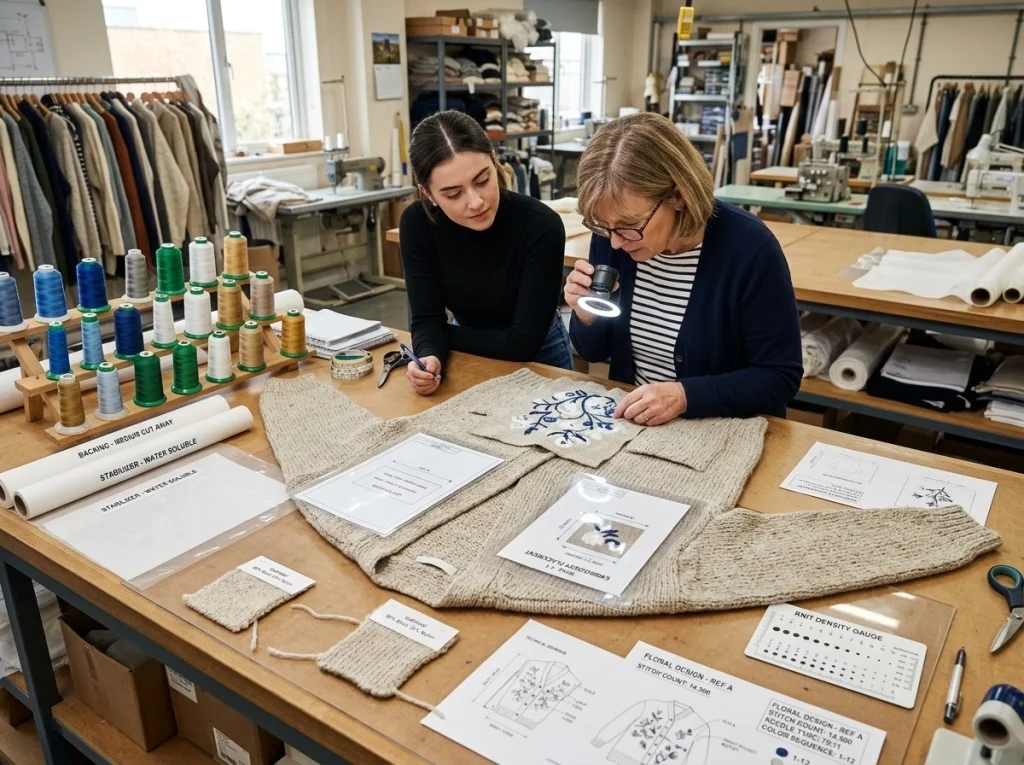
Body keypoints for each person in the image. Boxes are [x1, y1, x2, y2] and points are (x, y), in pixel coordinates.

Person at [564, 112, 802, 424]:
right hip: (638, 426)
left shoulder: (750, 250)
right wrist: (586, 315)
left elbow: (780, 377)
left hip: (725, 432)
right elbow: (595, 352)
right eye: (604, 226)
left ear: (678, 195)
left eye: (629, 226)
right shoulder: (614, 236)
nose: (617, 243)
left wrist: (685, 396)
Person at [400, 110, 570, 396]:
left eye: (482, 180)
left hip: (541, 358)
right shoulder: (417, 225)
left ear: (494, 160)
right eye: (453, 194)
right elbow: (426, 318)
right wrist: (429, 355)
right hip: (463, 357)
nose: (476, 201)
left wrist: (441, 336)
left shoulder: (540, 226)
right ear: (427, 194)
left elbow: (522, 344)